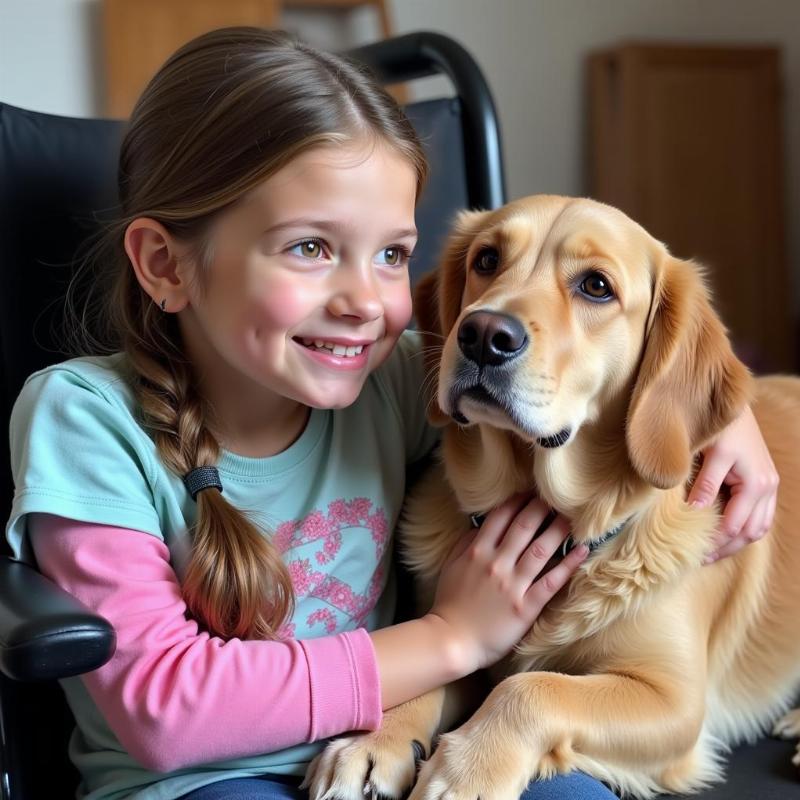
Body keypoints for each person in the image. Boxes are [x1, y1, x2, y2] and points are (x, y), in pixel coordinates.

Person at [4, 27, 776, 800]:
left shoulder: (388, 379)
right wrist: (450, 639)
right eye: (309, 248)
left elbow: (647, 378)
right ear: (166, 265)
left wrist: (732, 421)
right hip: (203, 782)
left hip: (383, 742)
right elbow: (165, 715)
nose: (365, 304)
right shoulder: (85, 419)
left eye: (392, 256)